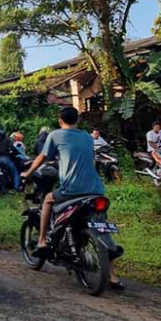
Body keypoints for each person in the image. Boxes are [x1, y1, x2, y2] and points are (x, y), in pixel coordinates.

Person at [22, 106, 123, 289]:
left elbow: (42, 158)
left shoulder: (55, 135)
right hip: (95, 190)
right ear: (77, 120)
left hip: (72, 190)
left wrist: (28, 173)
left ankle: (42, 240)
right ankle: (112, 275)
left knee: (47, 200)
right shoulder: (87, 136)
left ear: (60, 120)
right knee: (101, 228)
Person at [0, 127, 20, 191]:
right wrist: (17, 153)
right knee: (15, 172)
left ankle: (3, 189)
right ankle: (16, 188)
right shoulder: (7, 140)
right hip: (5, 159)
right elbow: (13, 149)